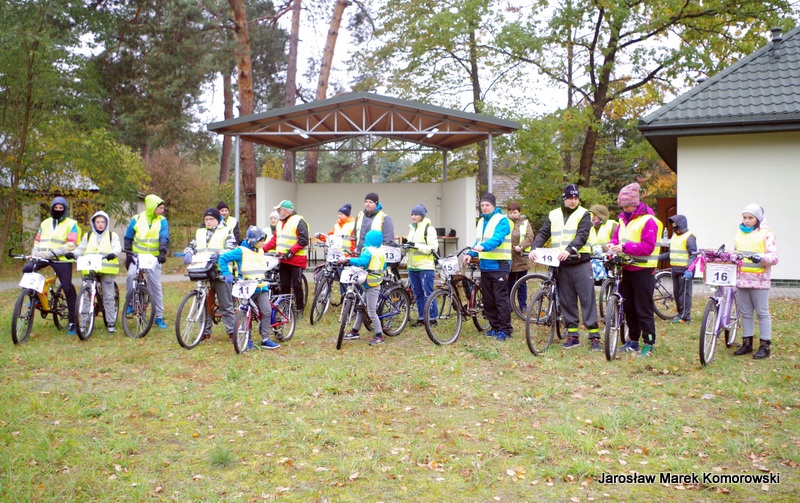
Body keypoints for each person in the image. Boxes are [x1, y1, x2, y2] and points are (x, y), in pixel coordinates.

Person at [528, 184, 600, 350]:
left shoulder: (584, 214)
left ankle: (594, 336)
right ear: (564, 198)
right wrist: (534, 248)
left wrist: (569, 250)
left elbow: (582, 235)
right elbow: (543, 233)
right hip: (561, 264)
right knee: (567, 300)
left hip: (579, 261)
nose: (573, 201)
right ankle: (572, 335)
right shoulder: (553, 214)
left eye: (576, 198)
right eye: (570, 198)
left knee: (587, 299)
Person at [608, 183, 663, 357]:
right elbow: (616, 238)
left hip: (643, 269)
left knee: (643, 308)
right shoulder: (623, 220)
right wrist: (612, 244)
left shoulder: (649, 221)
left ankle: (649, 342)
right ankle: (633, 341)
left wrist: (625, 247)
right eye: (622, 206)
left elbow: (648, 247)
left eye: (627, 205)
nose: (624, 209)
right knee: (629, 307)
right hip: (627, 268)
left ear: (635, 203)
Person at [218, 226, 281, 350]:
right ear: (253, 241)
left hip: (261, 287)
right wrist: (226, 273)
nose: (263, 243)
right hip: (246, 288)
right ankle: (248, 339)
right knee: (247, 314)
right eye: (260, 240)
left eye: (263, 240)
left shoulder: (260, 250)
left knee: (266, 311)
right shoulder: (241, 251)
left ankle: (265, 339)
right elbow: (223, 258)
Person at [463, 193, 513, 341]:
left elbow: (497, 239)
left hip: (499, 265)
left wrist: (484, 247)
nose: (484, 208)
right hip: (485, 266)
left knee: (500, 299)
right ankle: (494, 327)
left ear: (494, 206)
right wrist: (471, 253)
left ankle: (505, 330)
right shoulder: (481, 221)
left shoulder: (502, 220)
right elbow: (479, 242)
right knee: (488, 300)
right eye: (482, 205)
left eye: (487, 205)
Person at [183, 207, 237, 341]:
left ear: (217, 220)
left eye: (211, 219)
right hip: (203, 271)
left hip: (220, 272)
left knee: (225, 304)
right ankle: (205, 332)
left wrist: (219, 254)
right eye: (206, 219)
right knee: (204, 303)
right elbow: (191, 246)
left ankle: (232, 332)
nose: (208, 222)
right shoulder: (200, 232)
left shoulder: (226, 231)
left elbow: (231, 248)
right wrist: (188, 252)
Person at [27, 196, 79, 335]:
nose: (58, 210)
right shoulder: (45, 223)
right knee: (27, 269)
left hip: (61, 259)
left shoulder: (72, 224)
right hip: (43, 257)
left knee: (67, 287)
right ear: (51, 208)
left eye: (61, 208)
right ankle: (36, 298)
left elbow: (71, 244)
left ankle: (73, 322)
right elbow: (37, 240)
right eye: (56, 208)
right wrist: (35, 252)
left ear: (65, 209)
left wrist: (52, 253)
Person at [733, 204, 779, 359]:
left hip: (759, 280)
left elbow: (774, 257)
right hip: (742, 280)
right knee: (745, 313)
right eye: (744, 217)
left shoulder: (766, 234)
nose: (746, 221)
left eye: (750, 218)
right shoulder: (739, 234)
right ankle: (747, 344)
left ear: (758, 219)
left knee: (762, 313)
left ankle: (765, 346)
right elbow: (736, 253)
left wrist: (761, 257)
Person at [67, 211, 121, 333]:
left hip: (106, 270)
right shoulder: (88, 235)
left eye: (102, 222)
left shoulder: (112, 236)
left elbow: (117, 247)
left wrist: (113, 253)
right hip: (90, 269)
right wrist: (73, 254)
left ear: (106, 223)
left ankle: (110, 323)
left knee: (108, 296)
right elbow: (81, 248)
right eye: (98, 222)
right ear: (93, 223)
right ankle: (84, 323)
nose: (100, 224)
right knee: (86, 296)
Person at [124, 194, 170, 329]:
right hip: (137, 256)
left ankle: (159, 316)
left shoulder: (162, 220)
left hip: (154, 257)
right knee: (131, 275)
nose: (162, 210)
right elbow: (128, 237)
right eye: (160, 208)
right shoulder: (136, 219)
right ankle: (130, 302)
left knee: (155, 286)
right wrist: (128, 254)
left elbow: (164, 237)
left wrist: (162, 252)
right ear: (152, 207)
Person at [338, 229, 387, 345]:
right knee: (361, 307)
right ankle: (355, 331)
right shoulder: (380, 251)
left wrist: (349, 259)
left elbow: (363, 262)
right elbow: (384, 266)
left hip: (370, 283)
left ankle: (379, 335)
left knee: (371, 311)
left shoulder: (368, 250)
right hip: (373, 281)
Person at [263, 200, 309, 314]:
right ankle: (286, 308)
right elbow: (275, 240)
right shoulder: (280, 223)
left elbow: (303, 240)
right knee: (284, 286)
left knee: (297, 286)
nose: (278, 213)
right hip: (283, 260)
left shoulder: (299, 221)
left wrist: (291, 252)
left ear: (285, 211)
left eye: (279, 210)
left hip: (296, 260)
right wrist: (262, 249)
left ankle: (299, 309)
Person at [657, 215, 697, 324]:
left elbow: (693, 255)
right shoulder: (674, 237)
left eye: (675, 225)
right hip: (675, 270)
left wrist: (689, 269)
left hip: (685, 271)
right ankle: (680, 314)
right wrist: (656, 258)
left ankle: (685, 317)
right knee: (677, 294)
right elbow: (670, 254)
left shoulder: (690, 237)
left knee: (684, 294)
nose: (674, 227)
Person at [406, 204, 439, 327]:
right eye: (412, 214)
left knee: (428, 294)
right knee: (418, 294)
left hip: (425, 267)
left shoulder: (429, 229)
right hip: (412, 266)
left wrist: (415, 246)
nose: (413, 217)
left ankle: (432, 318)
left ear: (422, 215)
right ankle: (421, 318)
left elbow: (433, 248)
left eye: (416, 214)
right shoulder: (412, 229)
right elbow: (411, 247)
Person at [507, 202, 534, 313]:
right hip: (509, 258)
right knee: (509, 283)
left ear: (519, 212)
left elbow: (529, 237)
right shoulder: (506, 222)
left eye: (514, 212)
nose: (512, 215)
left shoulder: (525, 223)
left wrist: (521, 246)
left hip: (521, 258)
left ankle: (522, 305)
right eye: (510, 213)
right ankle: (509, 305)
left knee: (521, 283)